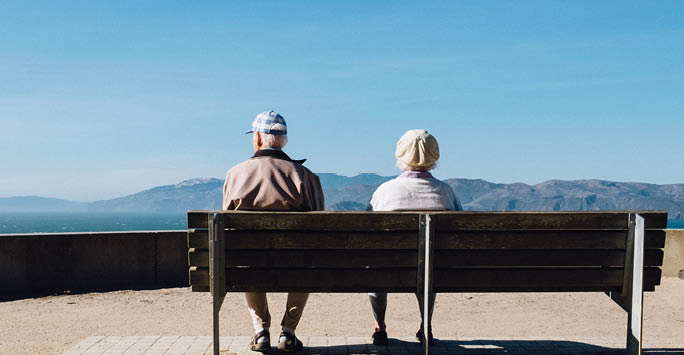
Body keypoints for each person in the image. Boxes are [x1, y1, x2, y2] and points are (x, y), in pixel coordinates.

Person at [223, 110, 325, 353]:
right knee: (306, 262)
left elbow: (226, 227)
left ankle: (261, 332)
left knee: (246, 258)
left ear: (258, 138)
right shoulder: (305, 177)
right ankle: (288, 333)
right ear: (284, 140)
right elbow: (321, 226)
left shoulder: (235, 174)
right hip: (295, 262)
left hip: (251, 263)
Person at [367, 129, 462, 346]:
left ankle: (380, 327)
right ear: (434, 156)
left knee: (376, 268)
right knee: (429, 266)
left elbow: (367, 232)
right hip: (435, 271)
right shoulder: (446, 192)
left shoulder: (384, 191)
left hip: (388, 269)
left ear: (400, 156)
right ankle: (425, 325)